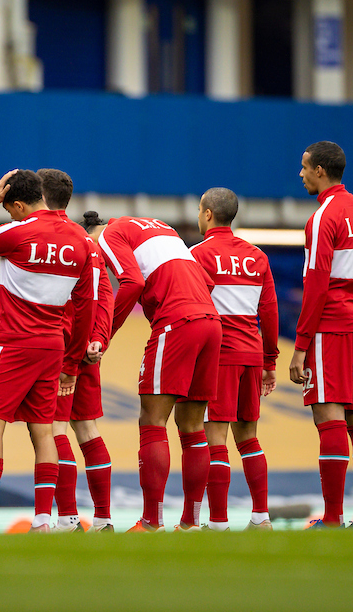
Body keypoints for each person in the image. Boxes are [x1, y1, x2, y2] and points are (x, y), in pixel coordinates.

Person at [0, 170, 95, 534]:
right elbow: (86, 306)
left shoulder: (18, 231)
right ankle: (44, 521)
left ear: (17, 203)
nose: (9, 214)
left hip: (12, 343)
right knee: (43, 432)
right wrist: (72, 363)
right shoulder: (81, 239)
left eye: (10, 208)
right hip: (53, 348)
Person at [84, 209, 221, 532]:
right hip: (210, 322)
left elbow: (131, 282)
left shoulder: (108, 235)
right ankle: (190, 524)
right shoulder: (161, 227)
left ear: (91, 233)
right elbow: (208, 281)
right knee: (192, 427)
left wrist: (101, 335)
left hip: (176, 322)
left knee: (152, 421)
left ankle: (151, 522)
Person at [288, 141, 353, 528]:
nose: (301, 173)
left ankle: (332, 518)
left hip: (331, 329)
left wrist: (301, 347)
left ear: (321, 170)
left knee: (329, 420)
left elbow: (316, 286)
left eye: (305, 167)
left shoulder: (323, 217)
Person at [189, 187, 279, 532]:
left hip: (219, 356)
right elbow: (268, 311)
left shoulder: (198, 255)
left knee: (215, 439)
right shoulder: (257, 256)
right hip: (251, 354)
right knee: (249, 438)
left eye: (200, 210)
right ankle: (261, 517)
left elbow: (193, 307)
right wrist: (269, 360)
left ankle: (218, 521)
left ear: (208, 214)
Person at [37, 168, 115, 533]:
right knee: (88, 429)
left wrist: (74, 351)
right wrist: (98, 340)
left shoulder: (61, 240)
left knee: (55, 431)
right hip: (89, 347)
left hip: (62, 348)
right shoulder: (92, 247)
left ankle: (67, 517)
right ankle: (102, 519)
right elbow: (105, 297)